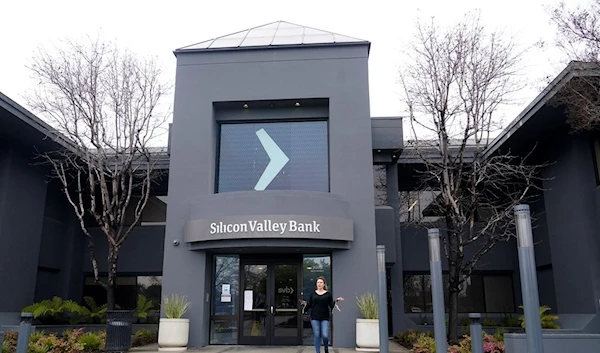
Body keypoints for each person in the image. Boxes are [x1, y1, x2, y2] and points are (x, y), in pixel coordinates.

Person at [300, 276, 344, 353]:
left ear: (324, 284)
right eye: (318, 282)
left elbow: (331, 305)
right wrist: (304, 306)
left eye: (321, 282)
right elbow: (310, 305)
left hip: (325, 317)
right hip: (314, 317)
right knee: (317, 335)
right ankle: (318, 352)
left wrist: (337, 300)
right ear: (316, 284)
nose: (319, 284)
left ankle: (326, 348)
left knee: (325, 335)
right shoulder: (313, 294)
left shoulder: (328, 294)